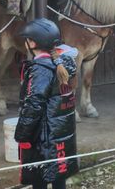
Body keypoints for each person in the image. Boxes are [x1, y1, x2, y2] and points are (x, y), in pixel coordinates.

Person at [15, 18, 79, 189]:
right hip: (61, 135)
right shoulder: (63, 64)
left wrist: (21, 135)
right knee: (59, 176)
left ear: (33, 42)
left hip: (43, 138)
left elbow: (33, 105)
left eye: (27, 39)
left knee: (39, 179)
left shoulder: (41, 69)